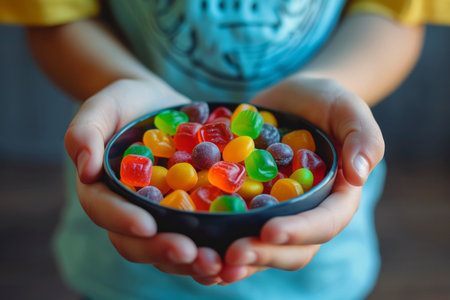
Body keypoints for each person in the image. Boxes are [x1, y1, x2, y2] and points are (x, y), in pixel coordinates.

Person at [3, 0, 444, 299]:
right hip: (121, 262)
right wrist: (126, 84)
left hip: (321, 265)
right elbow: (56, 16)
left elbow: (394, 13)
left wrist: (334, 86)